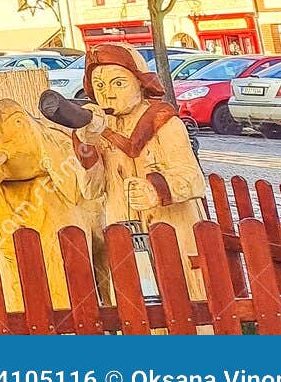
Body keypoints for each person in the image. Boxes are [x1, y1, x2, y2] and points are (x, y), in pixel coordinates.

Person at [73, 43, 207, 295]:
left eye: (118, 83)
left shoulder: (164, 122)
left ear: (140, 81)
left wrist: (157, 189)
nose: (108, 94)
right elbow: (91, 190)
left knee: (183, 303)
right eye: (99, 86)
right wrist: (86, 147)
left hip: (172, 234)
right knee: (132, 306)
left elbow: (194, 178)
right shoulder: (100, 128)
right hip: (122, 234)